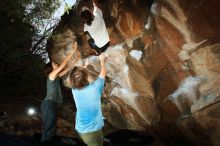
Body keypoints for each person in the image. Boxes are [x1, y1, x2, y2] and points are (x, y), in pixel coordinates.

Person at [40, 42, 78, 145]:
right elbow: (64, 63)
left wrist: (76, 58)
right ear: (51, 69)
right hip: (48, 104)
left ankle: (47, 143)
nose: (56, 64)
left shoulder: (56, 77)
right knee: (48, 128)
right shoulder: (51, 75)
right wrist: (73, 50)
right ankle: (44, 143)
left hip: (52, 104)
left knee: (51, 127)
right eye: (54, 64)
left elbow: (68, 68)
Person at [69, 53, 106, 146]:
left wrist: (84, 67)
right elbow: (103, 72)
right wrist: (102, 60)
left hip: (83, 129)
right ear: (86, 78)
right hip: (90, 132)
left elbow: (78, 78)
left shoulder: (74, 90)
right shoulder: (95, 88)